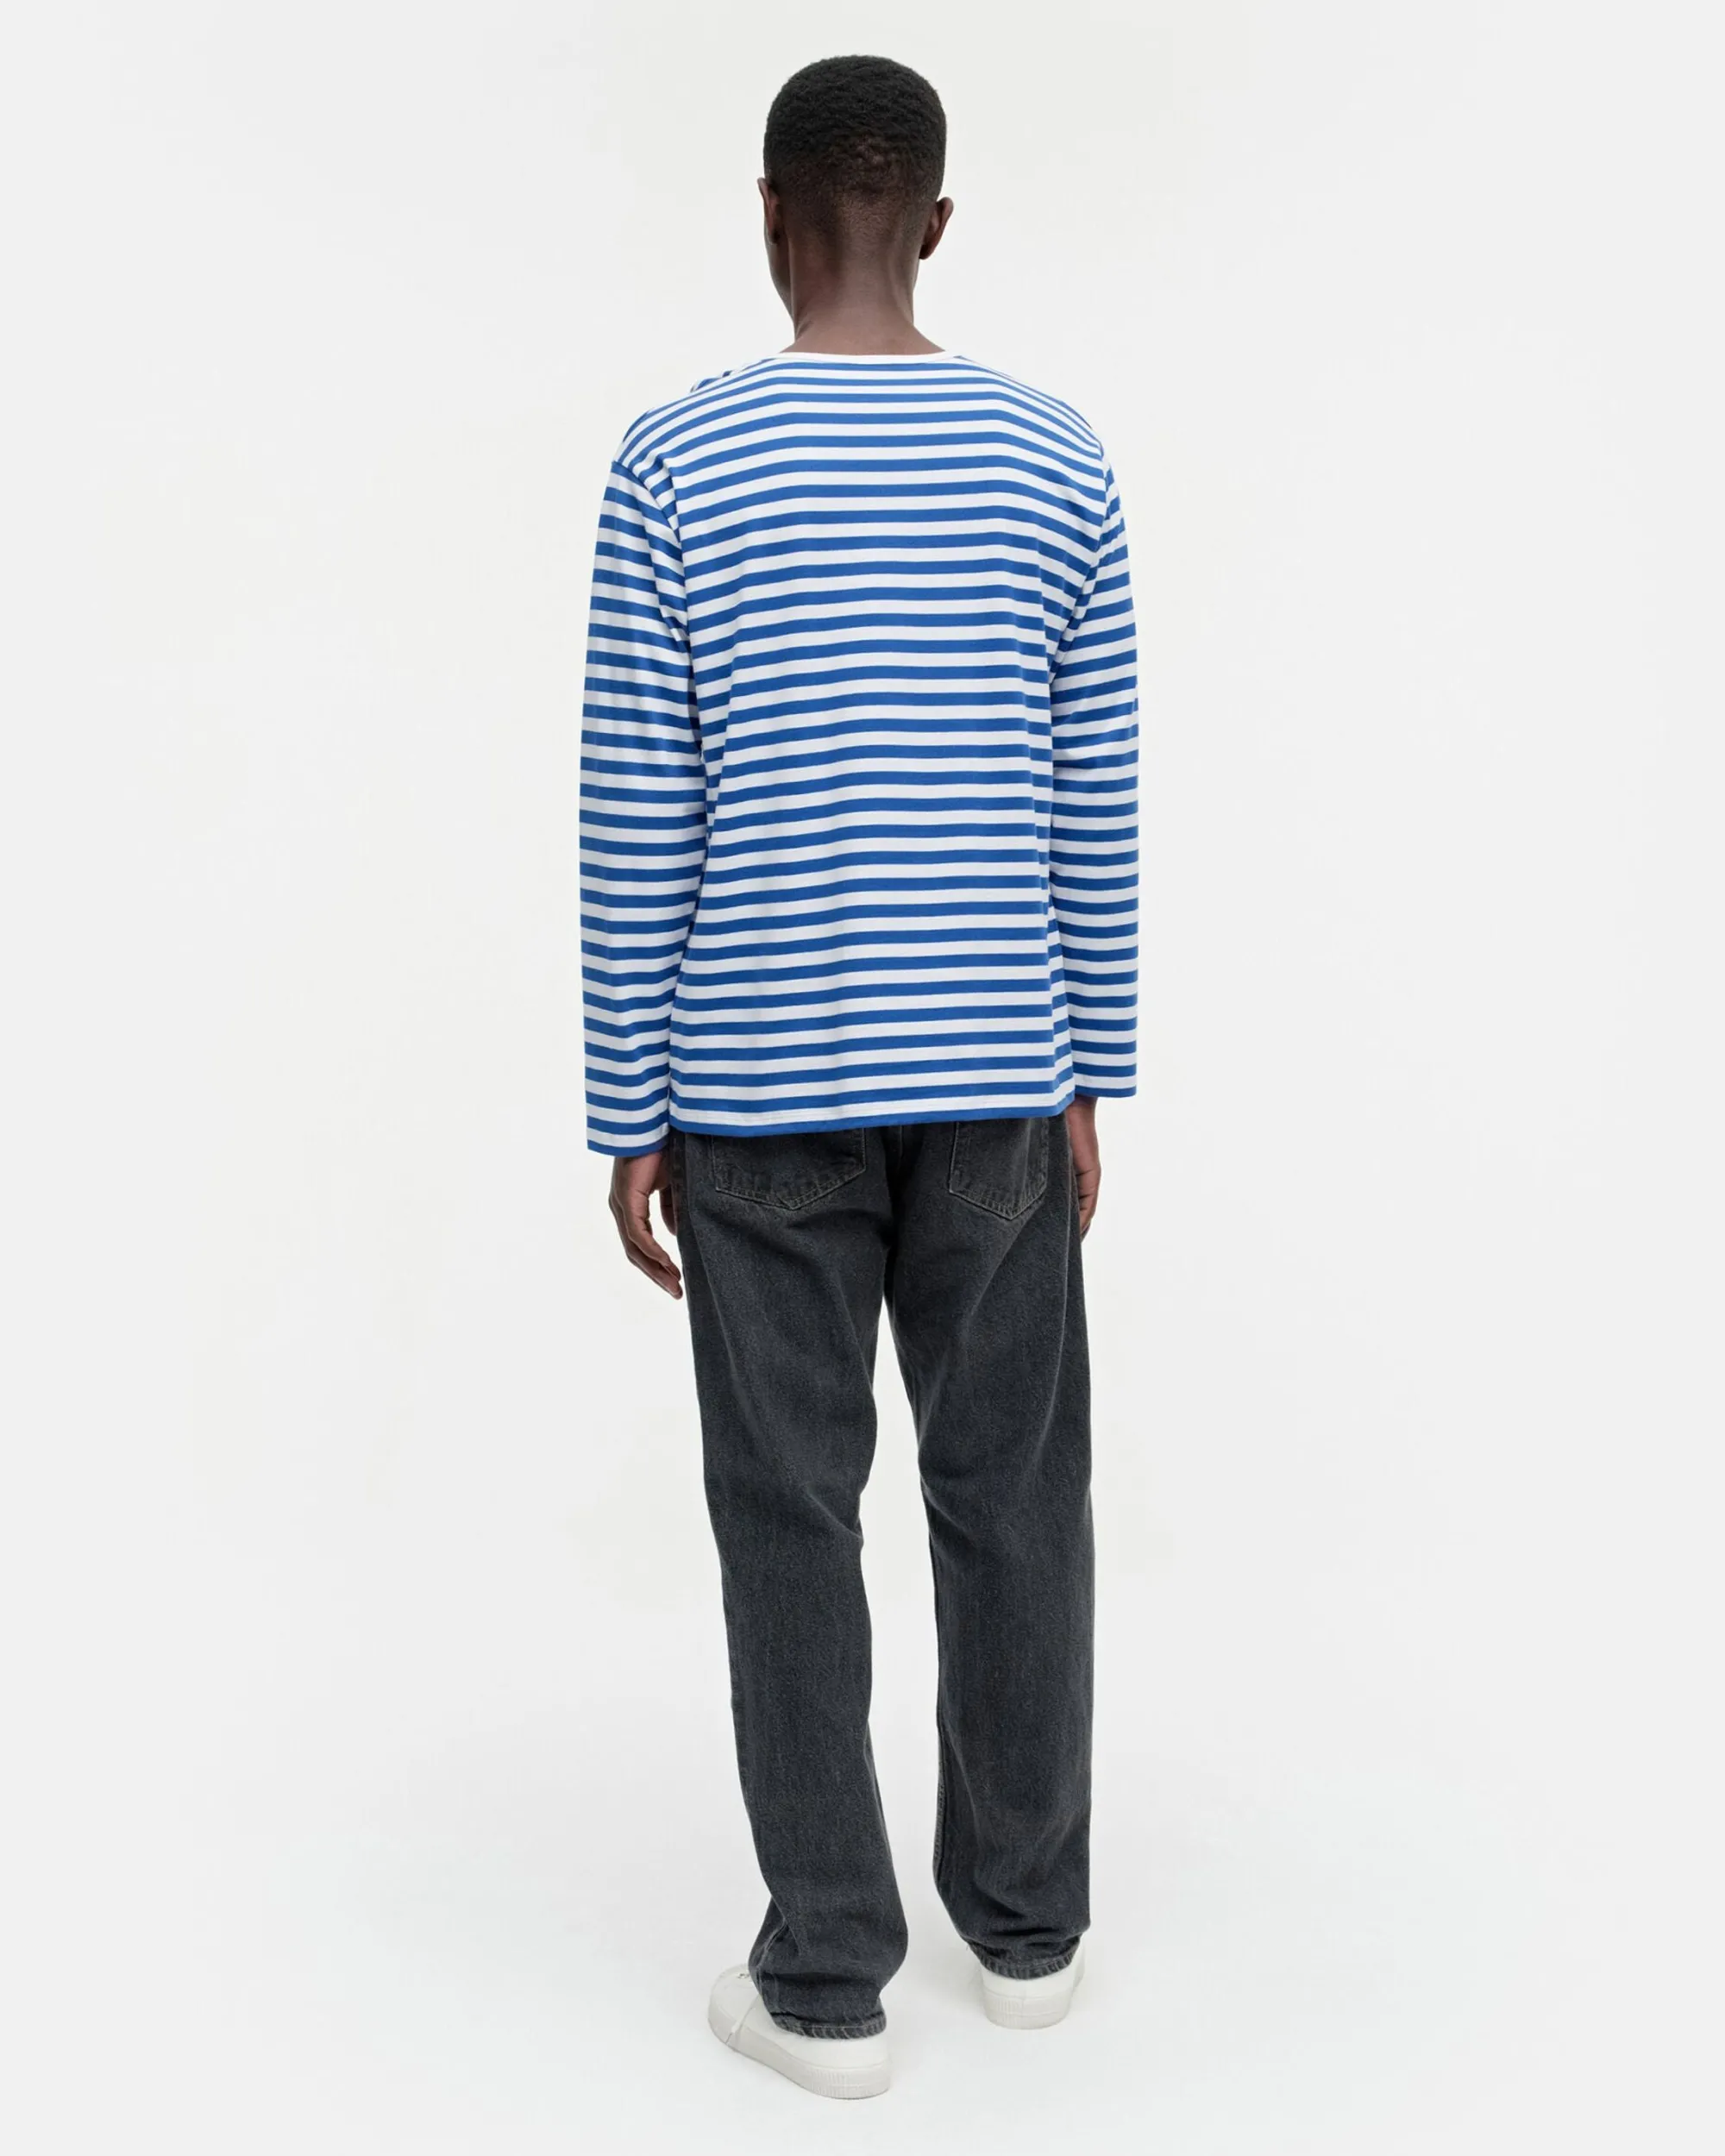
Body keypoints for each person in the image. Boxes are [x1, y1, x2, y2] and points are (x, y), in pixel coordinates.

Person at [580, 53, 1138, 2100]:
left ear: (767, 213)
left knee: (787, 1513)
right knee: (1016, 1495)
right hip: (997, 1066)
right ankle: (1029, 1926)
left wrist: (625, 1101)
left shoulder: (675, 461)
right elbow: (1090, 795)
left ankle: (825, 1980)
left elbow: (638, 804)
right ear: (936, 223)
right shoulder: (1053, 457)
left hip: (753, 1085)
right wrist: (1090, 1066)